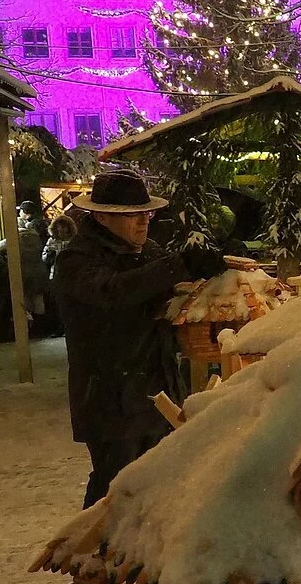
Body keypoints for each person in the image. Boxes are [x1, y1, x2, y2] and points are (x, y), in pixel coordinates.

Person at [53, 170, 225, 507]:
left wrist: (205, 267)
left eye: (147, 214)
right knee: (114, 492)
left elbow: (166, 285)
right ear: (101, 217)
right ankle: (93, 542)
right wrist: (178, 266)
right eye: (133, 215)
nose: (144, 222)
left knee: (156, 490)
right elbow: (113, 291)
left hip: (157, 393)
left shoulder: (148, 251)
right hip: (110, 400)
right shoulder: (77, 259)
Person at [0, 200, 49, 334]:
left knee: (24, 299)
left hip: (23, 271)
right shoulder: (37, 235)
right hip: (39, 271)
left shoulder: (17, 236)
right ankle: (41, 327)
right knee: (38, 298)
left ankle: (27, 329)